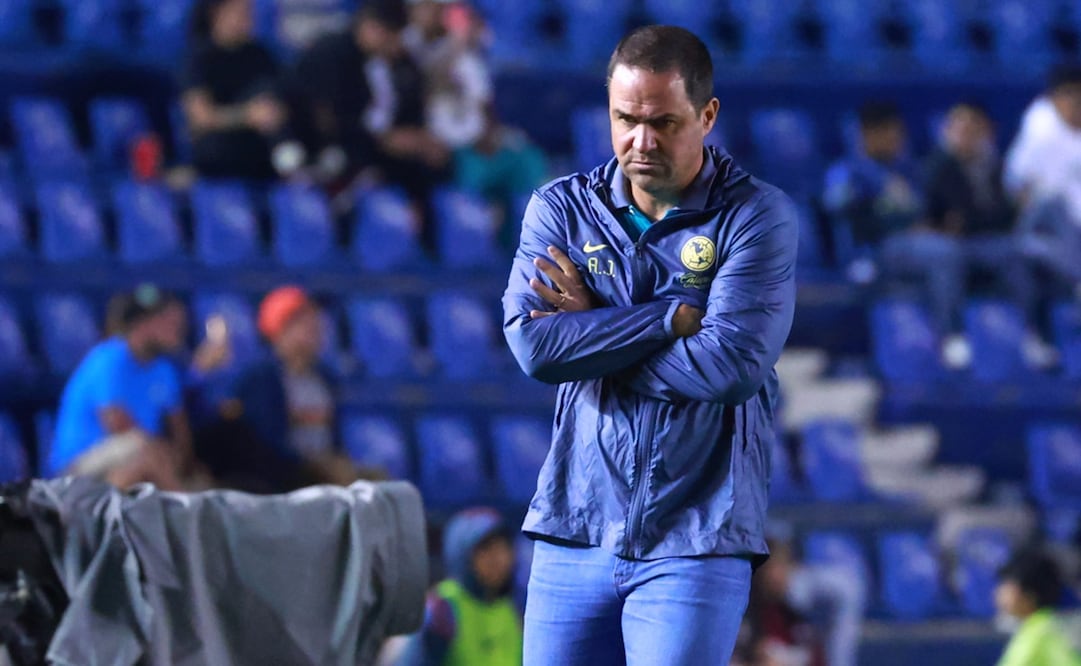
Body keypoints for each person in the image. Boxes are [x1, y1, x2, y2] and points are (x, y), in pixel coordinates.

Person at [502, 25, 797, 665]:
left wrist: (594, 326)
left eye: (663, 122)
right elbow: (536, 349)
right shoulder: (560, 210)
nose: (641, 141)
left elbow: (729, 368)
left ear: (708, 115)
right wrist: (663, 321)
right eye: (625, 119)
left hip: (698, 538)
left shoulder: (754, 216)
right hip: (573, 528)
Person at [924, 102, 1057, 369]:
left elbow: (1002, 216)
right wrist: (972, 219)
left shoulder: (995, 166)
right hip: (950, 245)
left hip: (987, 242)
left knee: (1018, 253)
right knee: (946, 256)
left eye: (972, 127)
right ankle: (953, 337)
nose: (964, 133)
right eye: (958, 126)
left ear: (985, 131)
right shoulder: (939, 166)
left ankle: (1034, 335)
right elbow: (943, 215)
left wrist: (980, 217)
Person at [287, 0, 449, 205]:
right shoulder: (331, 54)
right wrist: (384, 140)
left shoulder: (388, 62)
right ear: (371, 28)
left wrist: (416, 140)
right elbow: (328, 120)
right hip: (316, 146)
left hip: (365, 144)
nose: (393, 45)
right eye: (390, 36)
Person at [219, 286, 374, 489]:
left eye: (316, 319)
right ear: (280, 329)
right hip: (284, 480)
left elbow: (334, 437)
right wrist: (312, 465)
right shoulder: (262, 380)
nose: (316, 326)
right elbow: (264, 445)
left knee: (378, 484)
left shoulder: (325, 378)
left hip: (324, 474)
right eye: (304, 320)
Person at [50, 285, 194, 491]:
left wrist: (180, 458)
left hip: (136, 461)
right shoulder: (109, 358)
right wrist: (164, 455)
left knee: (194, 477)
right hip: (79, 467)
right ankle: (183, 516)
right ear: (142, 324)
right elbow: (116, 423)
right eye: (169, 322)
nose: (179, 329)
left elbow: (179, 427)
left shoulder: (164, 369)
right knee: (144, 449)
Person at [397, 508, 523, 666]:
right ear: (461, 555)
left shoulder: (512, 607)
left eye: (503, 548)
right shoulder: (442, 610)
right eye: (486, 549)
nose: (498, 559)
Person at [180, 0, 287, 181]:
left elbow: (279, 102)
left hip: (261, 145)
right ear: (216, 13)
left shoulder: (261, 55)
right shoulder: (197, 58)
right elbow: (201, 117)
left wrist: (276, 112)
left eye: (249, 12)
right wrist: (247, 116)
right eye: (239, 12)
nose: (247, 18)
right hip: (221, 147)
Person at [1005, 64, 1081, 301]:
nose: (1076, 101)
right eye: (1069, 94)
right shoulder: (1040, 126)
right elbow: (1017, 186)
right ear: (1054, 97)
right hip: (1044, 222)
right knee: (1055, 204)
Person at [994, 549, 1081, 666]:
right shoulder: (1045, 625)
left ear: (1030, 595)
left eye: (1007, 585)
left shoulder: (1040, 631)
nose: (999, 592)